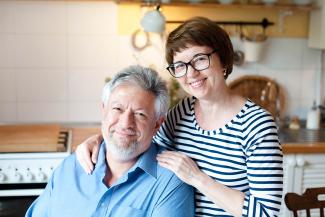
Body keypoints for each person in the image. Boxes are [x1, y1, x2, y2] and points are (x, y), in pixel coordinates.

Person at [76, 17, 283, 217]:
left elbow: (266, 213)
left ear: (223, 60)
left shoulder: (257, 125)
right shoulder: (182, 112)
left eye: (200, 59)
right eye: (180, 65)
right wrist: (100, 140)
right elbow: (142, 143)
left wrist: (197, 178)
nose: (190, 73)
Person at [25, 65, 194, 217]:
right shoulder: (69, 168)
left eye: (140, 114)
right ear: (103, 110)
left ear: (157, 124)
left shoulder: (170, 183)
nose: (125, 122)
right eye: (117, 109)